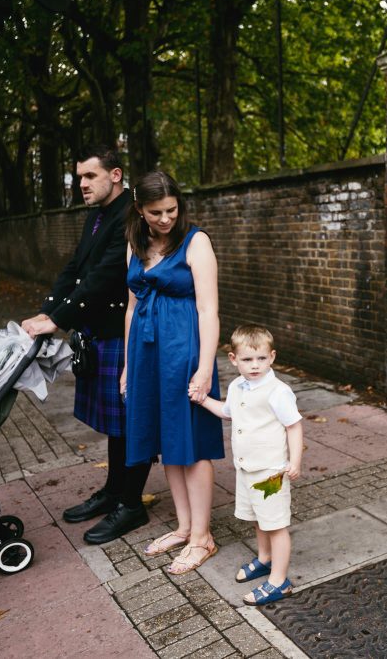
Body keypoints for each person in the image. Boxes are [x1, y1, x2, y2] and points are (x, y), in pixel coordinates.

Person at [22, 144, 151, 545]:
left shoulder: (131, 214)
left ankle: (132, 504)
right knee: (118, 425)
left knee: (132, 420)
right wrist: (47, 312)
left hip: (126, 330)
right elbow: (77, 268)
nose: (81, 184)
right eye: (79, 177)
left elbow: (109, 274)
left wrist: (59, 319)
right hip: (102, 329)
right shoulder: (96, 216)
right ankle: (114, 491)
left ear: (115, 175)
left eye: (89, 176)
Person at [122, 170, 225, 575]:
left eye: (171, 209)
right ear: (139, 210)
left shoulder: (195, 242)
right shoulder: (133, 242)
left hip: (184, 350)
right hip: (146, 355)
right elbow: (131, 308)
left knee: (192, 441)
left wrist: (203, 368)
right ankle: (184, 527)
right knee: (166, 437)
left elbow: (208, 310)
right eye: (155, 212)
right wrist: (128, 367)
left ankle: (203, 536)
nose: (165, 218)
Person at [192, 324, 304, 605]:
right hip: (247, 469)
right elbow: (227, 413)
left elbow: (294, 426)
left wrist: (295, 461)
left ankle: (279, 581)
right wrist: (203, 400)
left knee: (275, 524)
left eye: (261, 359)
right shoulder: (237, 386)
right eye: (247, 359)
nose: (255, 365)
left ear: (272, 357)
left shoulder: (278, 391)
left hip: (271, 473)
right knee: (258, 518)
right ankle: (265, 559)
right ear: (233, 359)